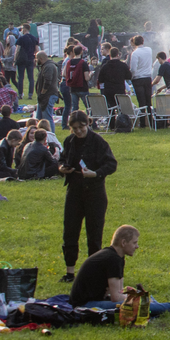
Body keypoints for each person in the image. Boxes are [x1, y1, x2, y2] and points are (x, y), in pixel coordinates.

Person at [69, 225, 170, 315]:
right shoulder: (112, 259)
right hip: (85, 305)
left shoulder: (116, 256)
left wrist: (135, 295)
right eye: (134, 243)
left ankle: (160, 308)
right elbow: (116, 297)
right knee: (141, 304)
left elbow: (118, 291)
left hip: (95, 299)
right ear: (123, 243)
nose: (137, 246)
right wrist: (137, 298)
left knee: (145, 299)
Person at [58, 111, 118, 282]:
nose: (78, 131)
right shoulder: (69, 141)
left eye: (81, 127)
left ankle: (93, 272)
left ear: (88, 124)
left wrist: (96, 173)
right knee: (70, 231)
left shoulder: (98, 141)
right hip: (75, 190)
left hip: (94, 192)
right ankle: (70, 272)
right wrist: (62, 168)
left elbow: (111, 164)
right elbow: (62, 159)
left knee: (94, 233)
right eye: (74, 128)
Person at [97, 47, 132, 115]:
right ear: (118, 55)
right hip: (120, 89)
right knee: (122, 107)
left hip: (108, 90)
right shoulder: (123, 65)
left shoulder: (105, 66)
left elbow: (100, 79)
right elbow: (129, 76)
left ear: (110, 55)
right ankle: (122, 121)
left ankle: (111, 123)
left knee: (111, 108)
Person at [128, 34, 153, 127]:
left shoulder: (135, 53)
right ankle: (150, 120)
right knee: (148, 100)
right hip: (147, 77)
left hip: (138, 78)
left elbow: (133, 68)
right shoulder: (149, 50)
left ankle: (143, 122)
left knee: (141, 101)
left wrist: (132, 77)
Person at [34, 51, 60, 134]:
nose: (35, 60)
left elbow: (47, 81)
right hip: (44, 96)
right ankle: (39, 135)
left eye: (36, 59)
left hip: (48, 95)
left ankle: (51, 135)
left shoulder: (48, 66)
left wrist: (42, 93)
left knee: (47, 118)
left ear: (41, 58)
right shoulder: (45, 66)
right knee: (39, 118)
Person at [14, 23, 39, 99]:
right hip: (30, 59)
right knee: (31, 78)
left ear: (24, 29)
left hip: (22, 60)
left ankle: (20, 94)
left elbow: (17, 50)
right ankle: (30, 94)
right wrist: (36, 60)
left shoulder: (21, 39)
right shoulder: (34, 38)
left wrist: (15, 60)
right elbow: (36, 50)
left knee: (21, 77)